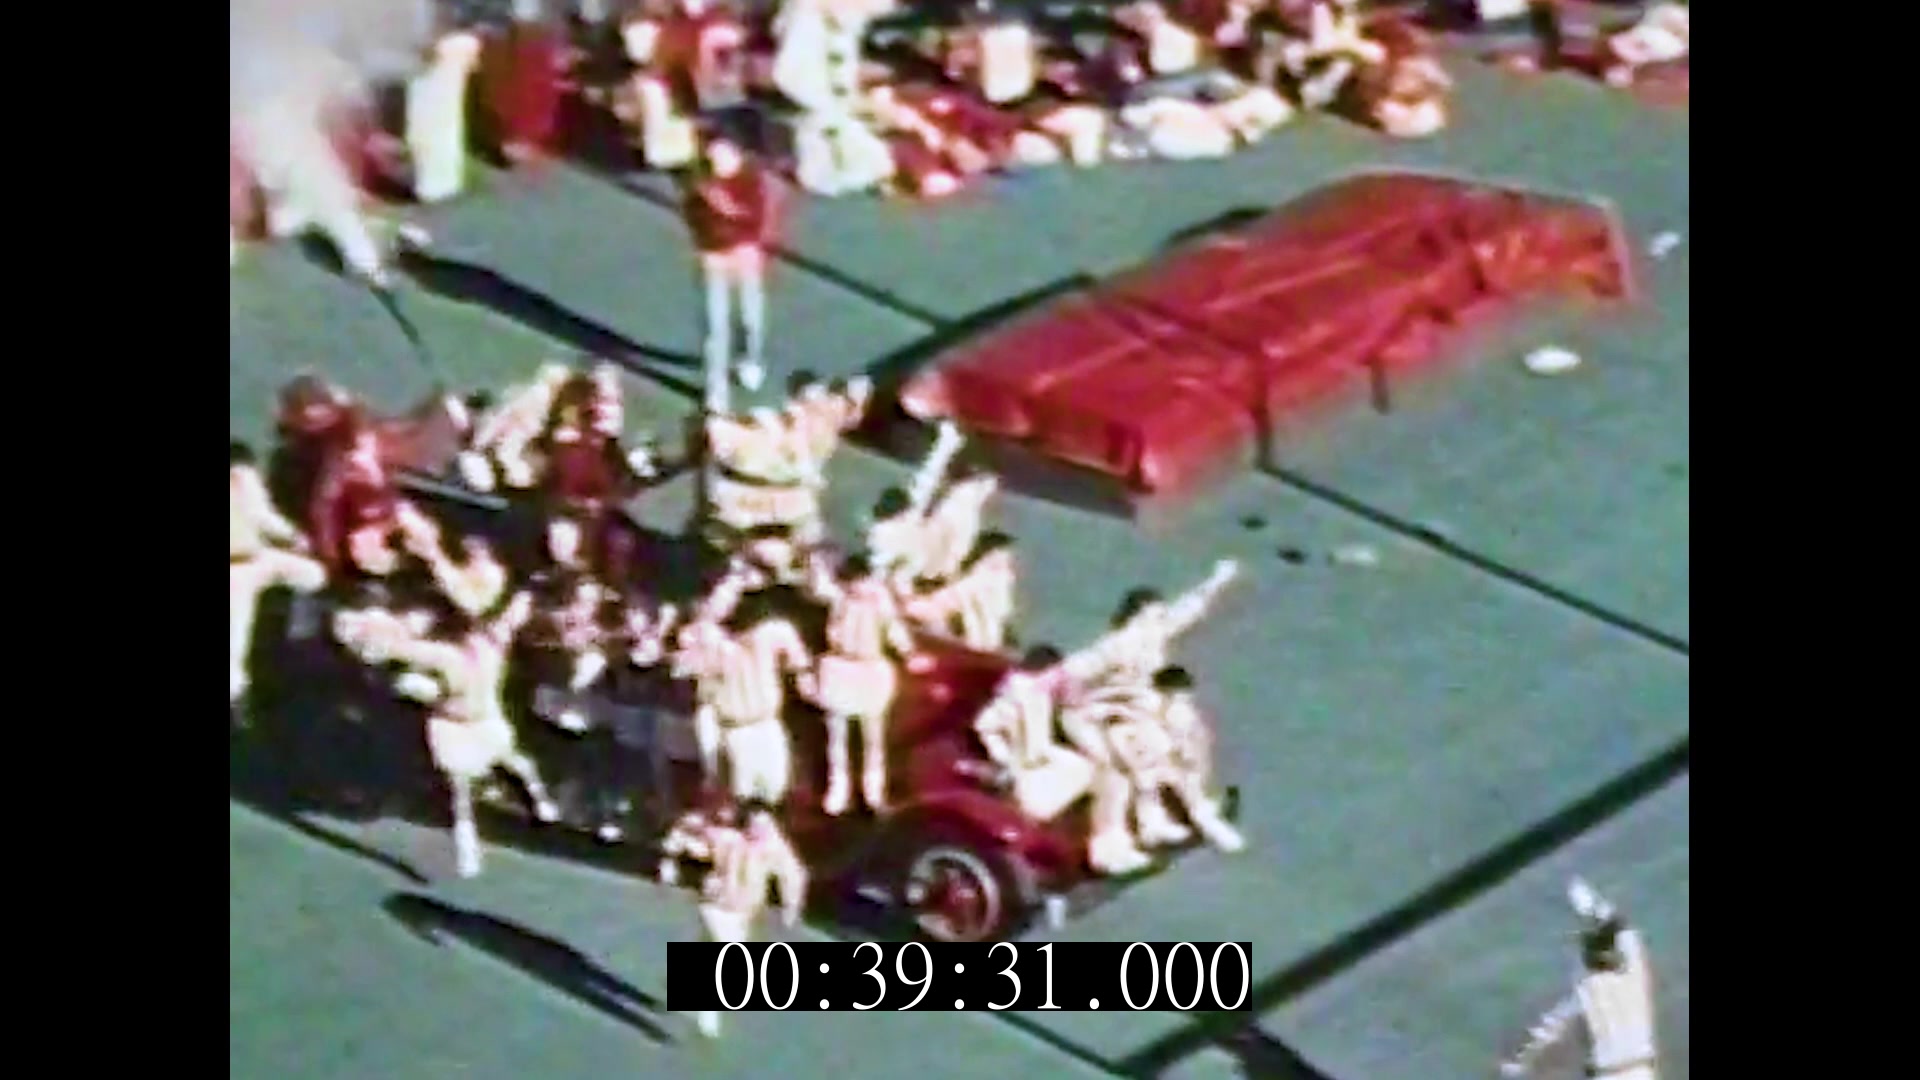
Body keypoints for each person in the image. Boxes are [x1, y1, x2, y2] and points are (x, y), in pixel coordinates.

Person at [369, 592, 564, 879]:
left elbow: (510, 619)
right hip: (453, 725)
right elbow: (400, 651)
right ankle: (466, 847)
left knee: (515, 760)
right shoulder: (442, 655)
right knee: (458, 789)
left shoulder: (493, 642)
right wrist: (383, 641)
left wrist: (524, 598)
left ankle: (540, 799)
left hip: (487, 719)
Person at [1500, 879, 1658, 1079]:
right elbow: (1624, 930)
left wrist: (1516, 1064)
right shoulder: (1635, 971)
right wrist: (1592, 906)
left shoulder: (1587, 991)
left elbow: (1547, 1030)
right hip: (1643, 1072)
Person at [797, 554, 918, 814]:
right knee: (836, 737)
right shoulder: (839, 597)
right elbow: (817, 588)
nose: (858, 586)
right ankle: (837, 792)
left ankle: (873, 792)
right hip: (840, 668)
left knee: (873, 738)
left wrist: (909, 653)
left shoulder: (880, 600)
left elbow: (894, 629)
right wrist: (814, 562)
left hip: (869, 669)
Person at [672, 589, 811, 803]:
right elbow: (681, 667)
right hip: (735, 730)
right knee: (742, 794)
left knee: (776, 791)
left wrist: (801, 671)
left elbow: (799, 660)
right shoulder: (707, 640)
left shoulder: (770, 632)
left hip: (768, 724)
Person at [691, 800, 808, 1039]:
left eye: (766, 825)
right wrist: (683, 852)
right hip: (717, 905)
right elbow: (697, 841)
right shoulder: (728, 838)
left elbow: (792, 875)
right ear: (746, 824)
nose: (761, 831)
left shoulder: (774, 848)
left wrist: (791, 906)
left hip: (743, 912)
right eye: (756, 825)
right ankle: (708, 1010)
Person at [232, 442, 328, 710]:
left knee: (312, 576)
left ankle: (297, 641)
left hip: (255, 560)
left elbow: (262, 517)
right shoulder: (242, 476)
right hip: (242, 567)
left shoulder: (241, 477)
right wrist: (295, 538)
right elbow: (263, 516)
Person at [683, 132, 774, 410]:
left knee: (750, 317)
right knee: (715, 324)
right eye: (712, 157)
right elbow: (694, 218)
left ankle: (749, 359)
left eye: (723, 155)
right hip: (714, 257)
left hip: (743, 254)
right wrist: (705, 251)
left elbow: (755, 218)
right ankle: (716, 387)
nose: (717, 163)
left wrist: (727, 208)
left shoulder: (751, 180)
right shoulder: (699, 183)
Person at [406, 28, 486, 203]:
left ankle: (433, 185)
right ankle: (441, 184)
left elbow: (428, 55)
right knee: (441, 138)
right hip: (442, 97)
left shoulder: (458, 45)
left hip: (435, 98)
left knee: (433, 138)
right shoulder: (466, 44)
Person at [904, 531, 1017, 650]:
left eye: (1009, 568)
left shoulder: (1006, 637)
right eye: (995, 567)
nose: (1007, 577)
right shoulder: (948, 604)